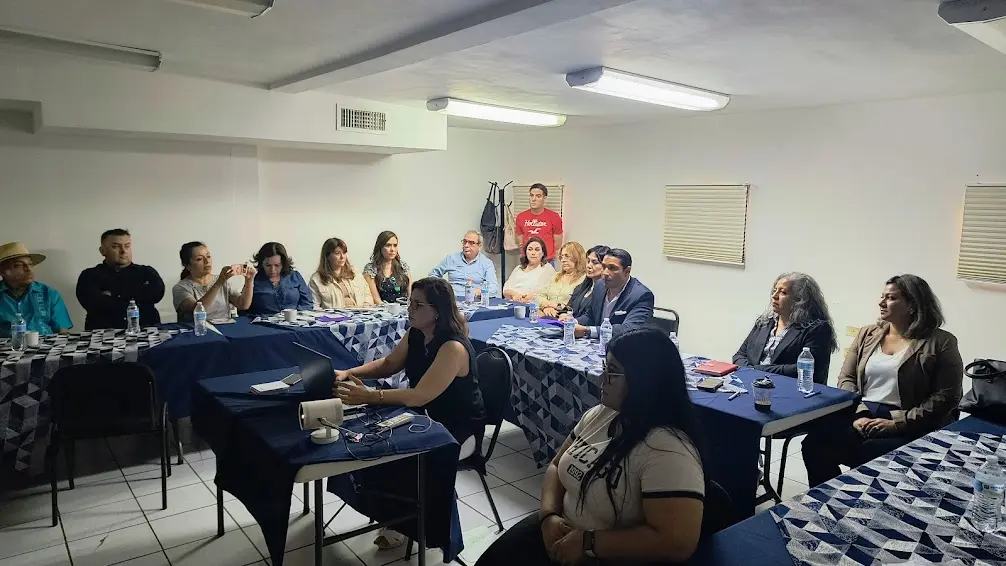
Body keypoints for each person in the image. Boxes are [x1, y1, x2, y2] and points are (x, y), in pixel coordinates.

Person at [475, 328, 706, 566]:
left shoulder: (668, 450)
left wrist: (591, 542)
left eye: (613, 372)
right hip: (564, 530)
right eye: (605, 367)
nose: (602, 378)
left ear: (645, 380)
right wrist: (548, 516)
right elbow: (556, 466)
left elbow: (676, 542)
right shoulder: (602, 414)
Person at [334, 277, 486, 549]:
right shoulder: (416, 332)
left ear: (437, 310)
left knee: (397, 449)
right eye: (409, 302)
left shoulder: (452, 347)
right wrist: (349, 372)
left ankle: (409, 522)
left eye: (417, 305)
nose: (410, 309)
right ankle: (395, 514)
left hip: (457, 425)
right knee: (372, 436)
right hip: (425, 413)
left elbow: (420, 395)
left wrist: (371, 395)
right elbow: (389, 364)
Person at [802, 274, 964, 487]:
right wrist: (859, 413)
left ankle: (861, 502)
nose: (881, 303)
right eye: (883, 296)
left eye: (891, 298)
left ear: (913, 305)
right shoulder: (867, 334)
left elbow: (947, 396)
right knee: (814, 444)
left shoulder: (941, 342)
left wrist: (898, 423)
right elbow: (847, 379)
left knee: (870, 454)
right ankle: (828, 498)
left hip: (911, 420)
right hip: (862, 412)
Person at [732, 272, 838, 384]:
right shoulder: (764, 321)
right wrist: (750, 371)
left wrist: (757, 371)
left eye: (783, 292)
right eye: (775, 290)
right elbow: (739, 355)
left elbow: (805, 369)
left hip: (789, 388)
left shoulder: (817, 329)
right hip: (752, 382)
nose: (774, 296)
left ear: (800, 300)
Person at [76, 229, 165, 330]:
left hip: (147, 331)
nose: (123, 251)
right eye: (115, 247)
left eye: (127, 246)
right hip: (103, 334)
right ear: (102, 251)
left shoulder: (147, 272)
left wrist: (113, 295)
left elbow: (157, 295)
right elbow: (94, 304)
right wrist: (137, 296)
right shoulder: (89, 275)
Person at [568, 249, 653, 339]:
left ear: (627, 271)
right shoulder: (600, 285)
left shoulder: (641, 295)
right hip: (597, 343)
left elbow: (630, 328)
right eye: (604, 267)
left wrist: (587, 331)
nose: (605, 273)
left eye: (612, 268)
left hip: (623, 345)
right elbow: (590, 316)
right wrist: (573, 322)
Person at [0, 242, 72, 337]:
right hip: (8, 345)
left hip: (46, 345)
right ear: (3, 272)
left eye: (30, 264)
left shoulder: (49, 294)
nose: (28, 269)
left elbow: (63, 332)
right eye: (19, 265)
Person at [172, 241, 255, 323]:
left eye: (208, 256)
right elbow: (198, 310)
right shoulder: (181, 288)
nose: (207, 261)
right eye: (199, 259)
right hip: (198, 329)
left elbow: (243, 305)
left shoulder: (222, 281)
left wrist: (249, 281)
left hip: (224, 327)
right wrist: (219, 283)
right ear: (187, 265)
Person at [428, 230, 499, 299]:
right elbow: (433, 275)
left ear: (479, 246)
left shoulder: (486, 263)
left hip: (474, 300)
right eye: (465, 242)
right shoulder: (451, 258)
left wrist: (480, 292)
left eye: (471, 243)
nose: (466, 245)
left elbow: (494, 288)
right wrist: (441, 288)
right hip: (453, 300)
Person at [248, 242, 313, 315]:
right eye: (268, 265)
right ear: (261, 264)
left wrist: (296, 315)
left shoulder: (294, 276)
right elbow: (245, 309)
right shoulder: (253, 281)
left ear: (283, 263)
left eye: (277, 265)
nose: (272, 270)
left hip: (294, 319)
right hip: (264, 320)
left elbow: (307, 303)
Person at [310, 237, 374, 309]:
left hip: (360, 313)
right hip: (334, 315)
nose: (342, 257)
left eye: (344, 253)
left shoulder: (354, 272)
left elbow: (367, 296)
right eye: (337, 253)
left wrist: (365, 309)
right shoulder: (316, 279)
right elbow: (315, 306)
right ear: (327, 256)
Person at [516, 183, 563, 266]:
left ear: (544, 198)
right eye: (531, 195)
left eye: (538, 196)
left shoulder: (554, 216)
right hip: (527, 259)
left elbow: (557, 243)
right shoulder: (521, 216)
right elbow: (519, 239)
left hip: (547, 260)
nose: (533, 199)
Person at [538, 242, 587, 319]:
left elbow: (576, 307)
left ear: (578, 257)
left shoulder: (584, 280)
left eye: (567, 256)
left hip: (566, 318)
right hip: (546, 314)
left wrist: (555, 306)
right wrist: (546, 307)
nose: (563, 260)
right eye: (561, 257)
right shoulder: (556, 276)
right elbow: (540, 295)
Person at [363, 231, 411, 304]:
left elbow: (411, 293)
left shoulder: (403, 266)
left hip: (405, 307)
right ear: (380, 247)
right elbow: (376, 299)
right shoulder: (371, 269)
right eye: (388, 245)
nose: (392, 249)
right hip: (382, 308)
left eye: (395, 245)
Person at [503, 237, 556, 303]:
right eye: (530, 249)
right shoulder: (518, 268)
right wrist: (514, 295)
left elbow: (548, 291)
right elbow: (506, 290)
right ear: (526, 252)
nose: (533, 253)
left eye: (537, 250)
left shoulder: (547, 268)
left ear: (543, 253)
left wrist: (525, 298)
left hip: (533, 304)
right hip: (513, 302)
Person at [568, 245, 609, 319]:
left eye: (595, 262)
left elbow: (592, 318)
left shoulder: (607, 291)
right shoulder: (580, 287)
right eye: (588, 261)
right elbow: (569, 308)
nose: (589, 266)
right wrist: (563, 314)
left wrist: (573, 320)